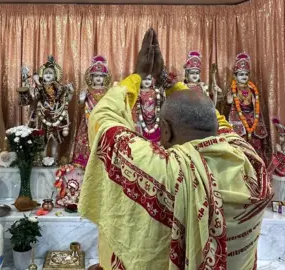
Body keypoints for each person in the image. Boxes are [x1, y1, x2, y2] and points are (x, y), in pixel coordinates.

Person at [80, 29, 273, 270]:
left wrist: (138, 76)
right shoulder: (251, 162)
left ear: (167, 132)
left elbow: (104, 119)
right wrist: (170, 83)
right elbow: (216, 120)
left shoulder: (158, 169)